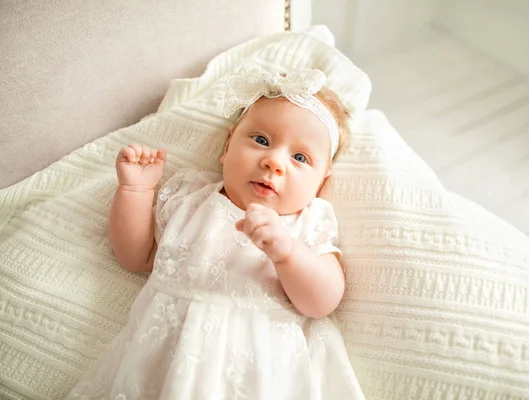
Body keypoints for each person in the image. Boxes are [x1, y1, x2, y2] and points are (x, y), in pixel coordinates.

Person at [66, 62, 364, 399]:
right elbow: (136, 257)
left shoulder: (305, 223)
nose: (274, 162)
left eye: (300, 157)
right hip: (162, 361)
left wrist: (286, 252)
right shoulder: (190, 198)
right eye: (261, 139)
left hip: (257, 371)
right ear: (227, 146)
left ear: (321, 184)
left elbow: (323, 301)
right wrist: (135, 192)